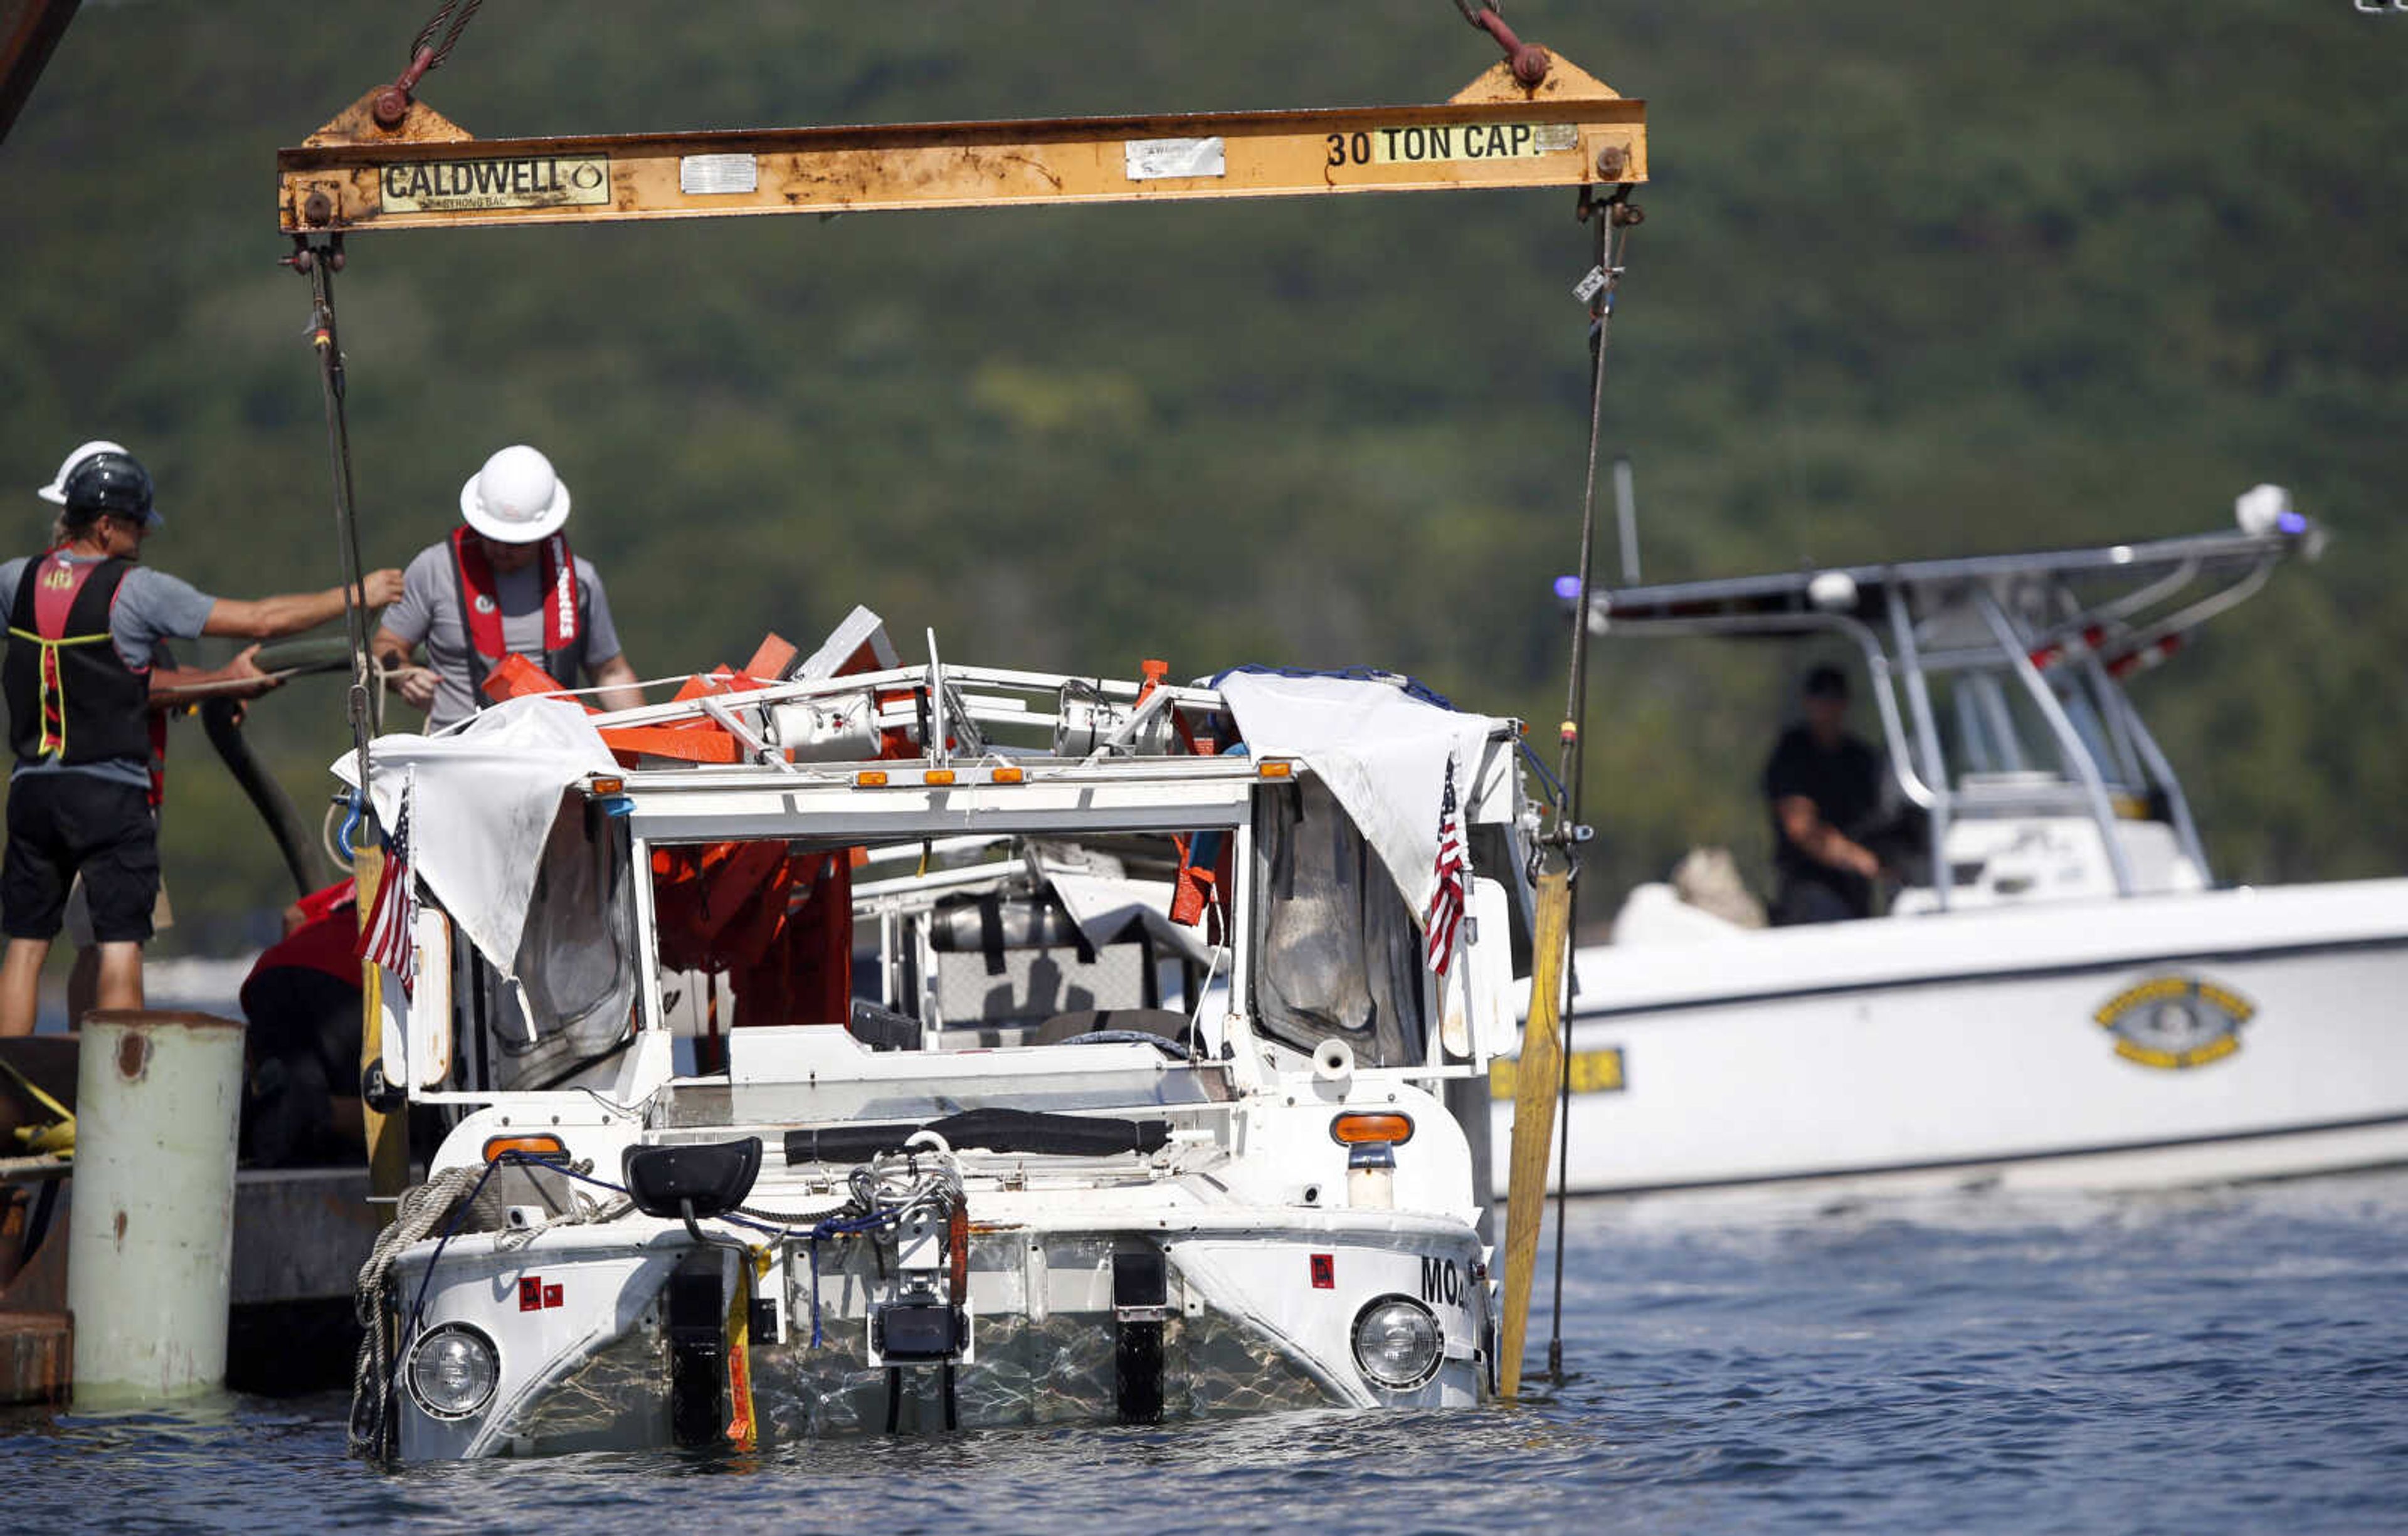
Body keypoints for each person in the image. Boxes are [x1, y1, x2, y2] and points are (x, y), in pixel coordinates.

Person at [0, 448, 404, 1036]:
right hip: (111, 793)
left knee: (26, 946)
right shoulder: (137, 591)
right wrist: (357, 597)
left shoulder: (16, 580)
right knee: (119, 944)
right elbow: (263, 619)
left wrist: (219, 681)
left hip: (33, 787)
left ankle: (12, 1096)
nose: (142, 536)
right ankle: (117, 1097)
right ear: (106, 525)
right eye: (135, 525)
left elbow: (120, 673)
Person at [371, 444, 642, 730]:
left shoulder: (581, 581)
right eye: (492, 536)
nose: (501, 549)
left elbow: (610, 673)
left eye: (516, 542)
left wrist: (647, 743)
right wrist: (403, 675)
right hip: (457, 752)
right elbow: (385, 648)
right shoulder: (434, 569)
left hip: (556, 753)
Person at [1761, 663, 1886, 924]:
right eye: (1820, 698)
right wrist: (1857, 858)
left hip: (1857, 888)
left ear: (1845, 703)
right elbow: (1801, 828)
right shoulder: (1792, 754)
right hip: (1808, 888)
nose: (1826, 707)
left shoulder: (1860, 757)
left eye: (1833, 699)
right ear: (1808, 702)